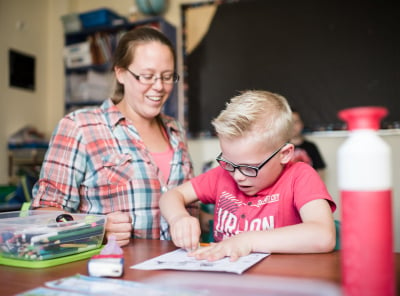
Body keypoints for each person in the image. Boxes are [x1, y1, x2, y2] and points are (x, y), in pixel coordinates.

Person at [31, 26, 197, 246]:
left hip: (178, 271)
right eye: (147, 76)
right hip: (114, 272)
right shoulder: (79, 127)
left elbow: (189, 205)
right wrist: (96, 229)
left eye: (167, 77)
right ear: (120, 73)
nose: (159, 87)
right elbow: (43, 216)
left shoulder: (175, 130)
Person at [160, 90, 336, 261]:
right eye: (229, 163)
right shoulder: (222, 175)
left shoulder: (300, 177)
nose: (237, 176)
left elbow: (323, 236)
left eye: (250, 168)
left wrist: (247, 241)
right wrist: (178, 218)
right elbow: (171, 196)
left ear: (284, 154)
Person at [290, 110, 326, 178]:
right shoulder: (282, 147)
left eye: (296, 122)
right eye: (289, 122)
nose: (293, 126)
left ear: (302, 124)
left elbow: (320, 169)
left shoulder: (311, 146)